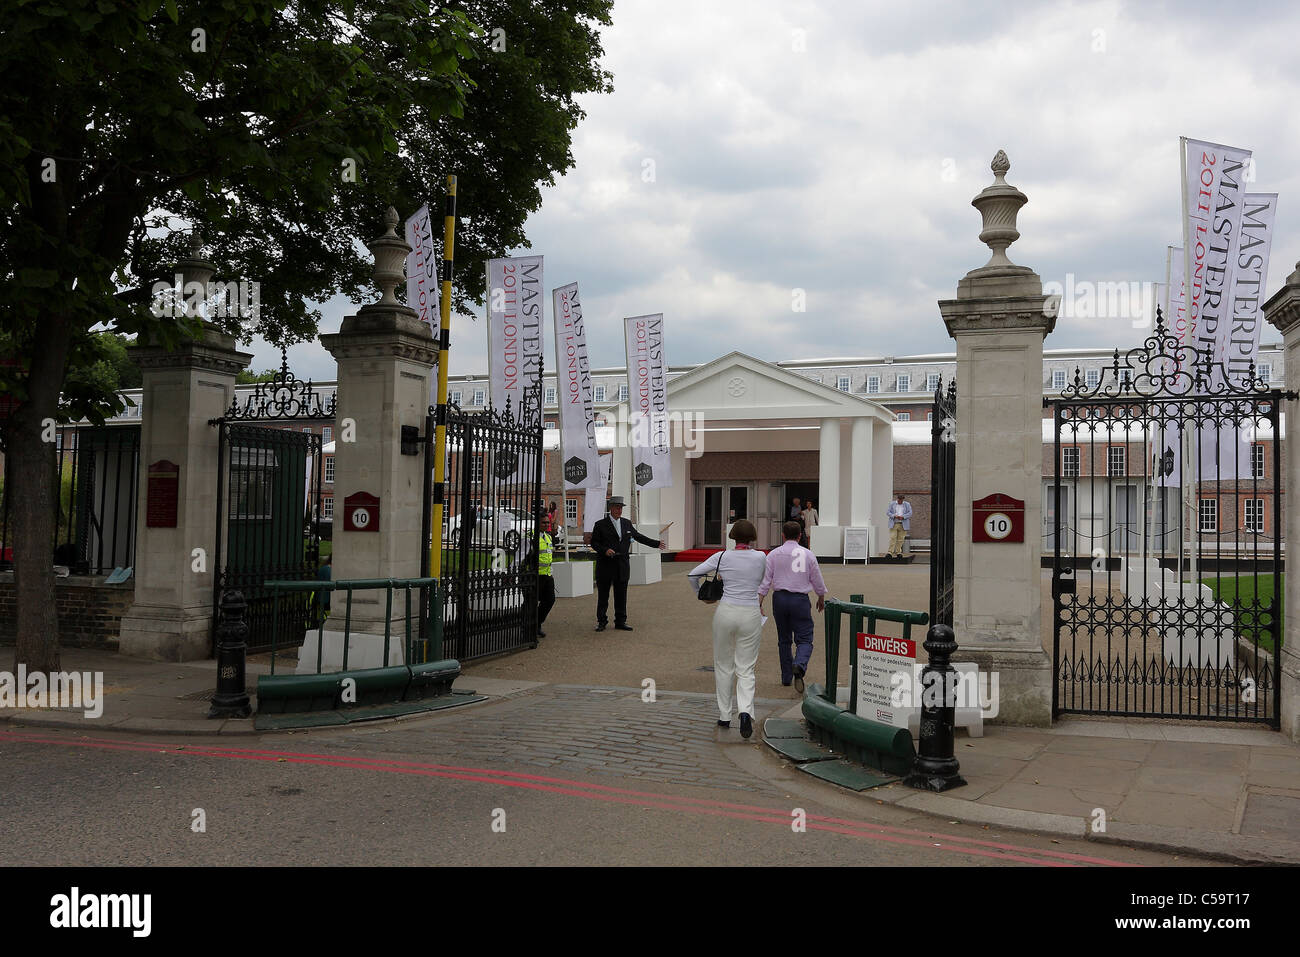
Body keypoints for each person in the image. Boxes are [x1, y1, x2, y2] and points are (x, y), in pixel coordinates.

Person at [688, 519, 767, 739]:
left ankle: (724, 715)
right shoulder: (761, 557)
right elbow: (763, 580)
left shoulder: (722, 556)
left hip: (726, 610)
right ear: (752, 537)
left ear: (733, 537)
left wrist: (699, 595)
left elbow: (693, 574)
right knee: (746, 667)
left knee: (723, 664)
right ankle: (745, 711)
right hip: (750, 611)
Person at [759, 521, 827, 693]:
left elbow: (765, 581)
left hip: (780, 598)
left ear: (782, 535)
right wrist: (821, 596)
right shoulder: (808, 554)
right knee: (804, 637)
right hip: (800, 599)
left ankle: (786, 677)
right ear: (799, 536)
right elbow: (816, 578)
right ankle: (800, 664)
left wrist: (759, 601)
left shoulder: (773, 554)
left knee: (784, 639)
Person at [590, 495, 666, 631]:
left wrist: (656, 543)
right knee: (603, 596)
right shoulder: (600, 524)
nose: (619, 510)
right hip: (606, 565)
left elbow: (638, 537)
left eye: (621, 508)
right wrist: (605, 550)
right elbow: (594, 543)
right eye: (617, 508)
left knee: (621, 595)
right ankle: (601, 621)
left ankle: (620, 621)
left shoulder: (626, 523)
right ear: (611, 508)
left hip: (622, 565)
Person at [527, 508, 556, 638]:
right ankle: (528, 628)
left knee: (549, 600)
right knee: (531, 603)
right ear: (537, 523)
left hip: (547, 576)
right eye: (543, 523)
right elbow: (521, 557)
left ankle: (537, 623)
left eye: (547, 523)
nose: (546, 525)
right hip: (534, 576)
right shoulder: (530, 538)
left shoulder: (548, 537)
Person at [886, 492, 912, 557]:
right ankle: (890, 552)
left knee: (901, 539)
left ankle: (898, 552)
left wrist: (903, 516)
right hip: (894, 523)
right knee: (893, 538)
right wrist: (894, 516)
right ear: (897, 499)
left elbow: (910, 513)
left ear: (903, 499)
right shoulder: (892, 504)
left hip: (903, 524)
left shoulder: (907, 504)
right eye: (899, 499)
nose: (900, 501)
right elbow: (888, 512)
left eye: (901, 500)